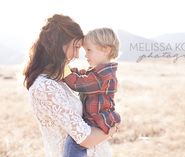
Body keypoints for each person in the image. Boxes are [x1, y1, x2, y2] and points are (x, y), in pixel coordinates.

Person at [23, 14, 117, 157]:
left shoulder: (56, 79)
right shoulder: (45, 86)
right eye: (76, 47)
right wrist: (110, 131)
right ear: (58, 45)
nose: (78, 55)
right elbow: (85, 138)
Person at [63, 28, 121, 157]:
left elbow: (78, 83)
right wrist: (71, 70)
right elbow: (82, 75)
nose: (85, 54)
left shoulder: (104, 76)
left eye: (89, 50)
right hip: (94, 118)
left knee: (74, 144)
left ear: (106, 50)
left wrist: (63, 69)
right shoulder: (98, 71)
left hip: (97, 120)